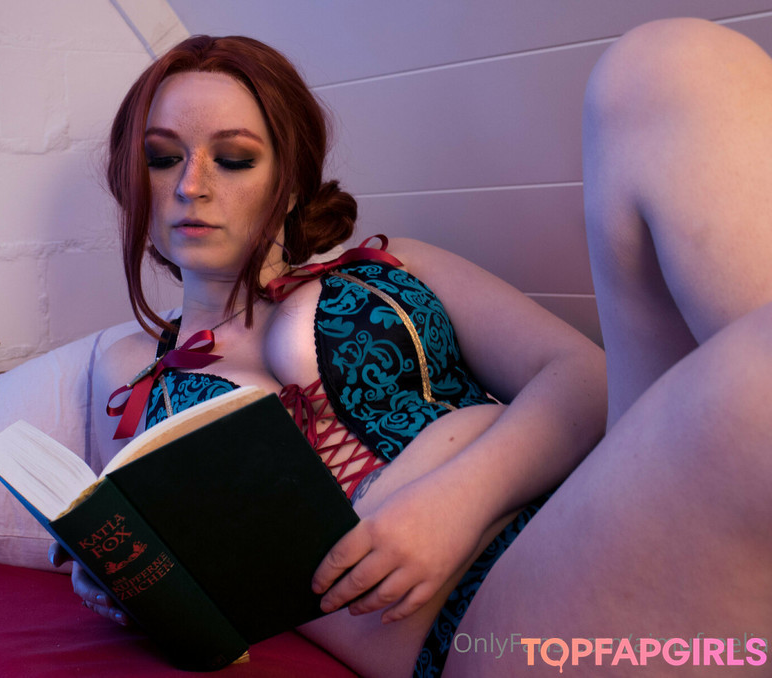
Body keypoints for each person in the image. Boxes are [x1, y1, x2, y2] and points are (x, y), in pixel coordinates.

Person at [53, 18, 772, 678]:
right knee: (754, 381)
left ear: (291, 181)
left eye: (234, 159)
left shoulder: (393, 265)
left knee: (667, 63)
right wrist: (127, 584)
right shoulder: (130, 382)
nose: (191, 186)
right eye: (161, 158)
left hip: (592, 503)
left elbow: (584, 379)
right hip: (484, 628)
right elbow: (190, 586)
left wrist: (454, 502)